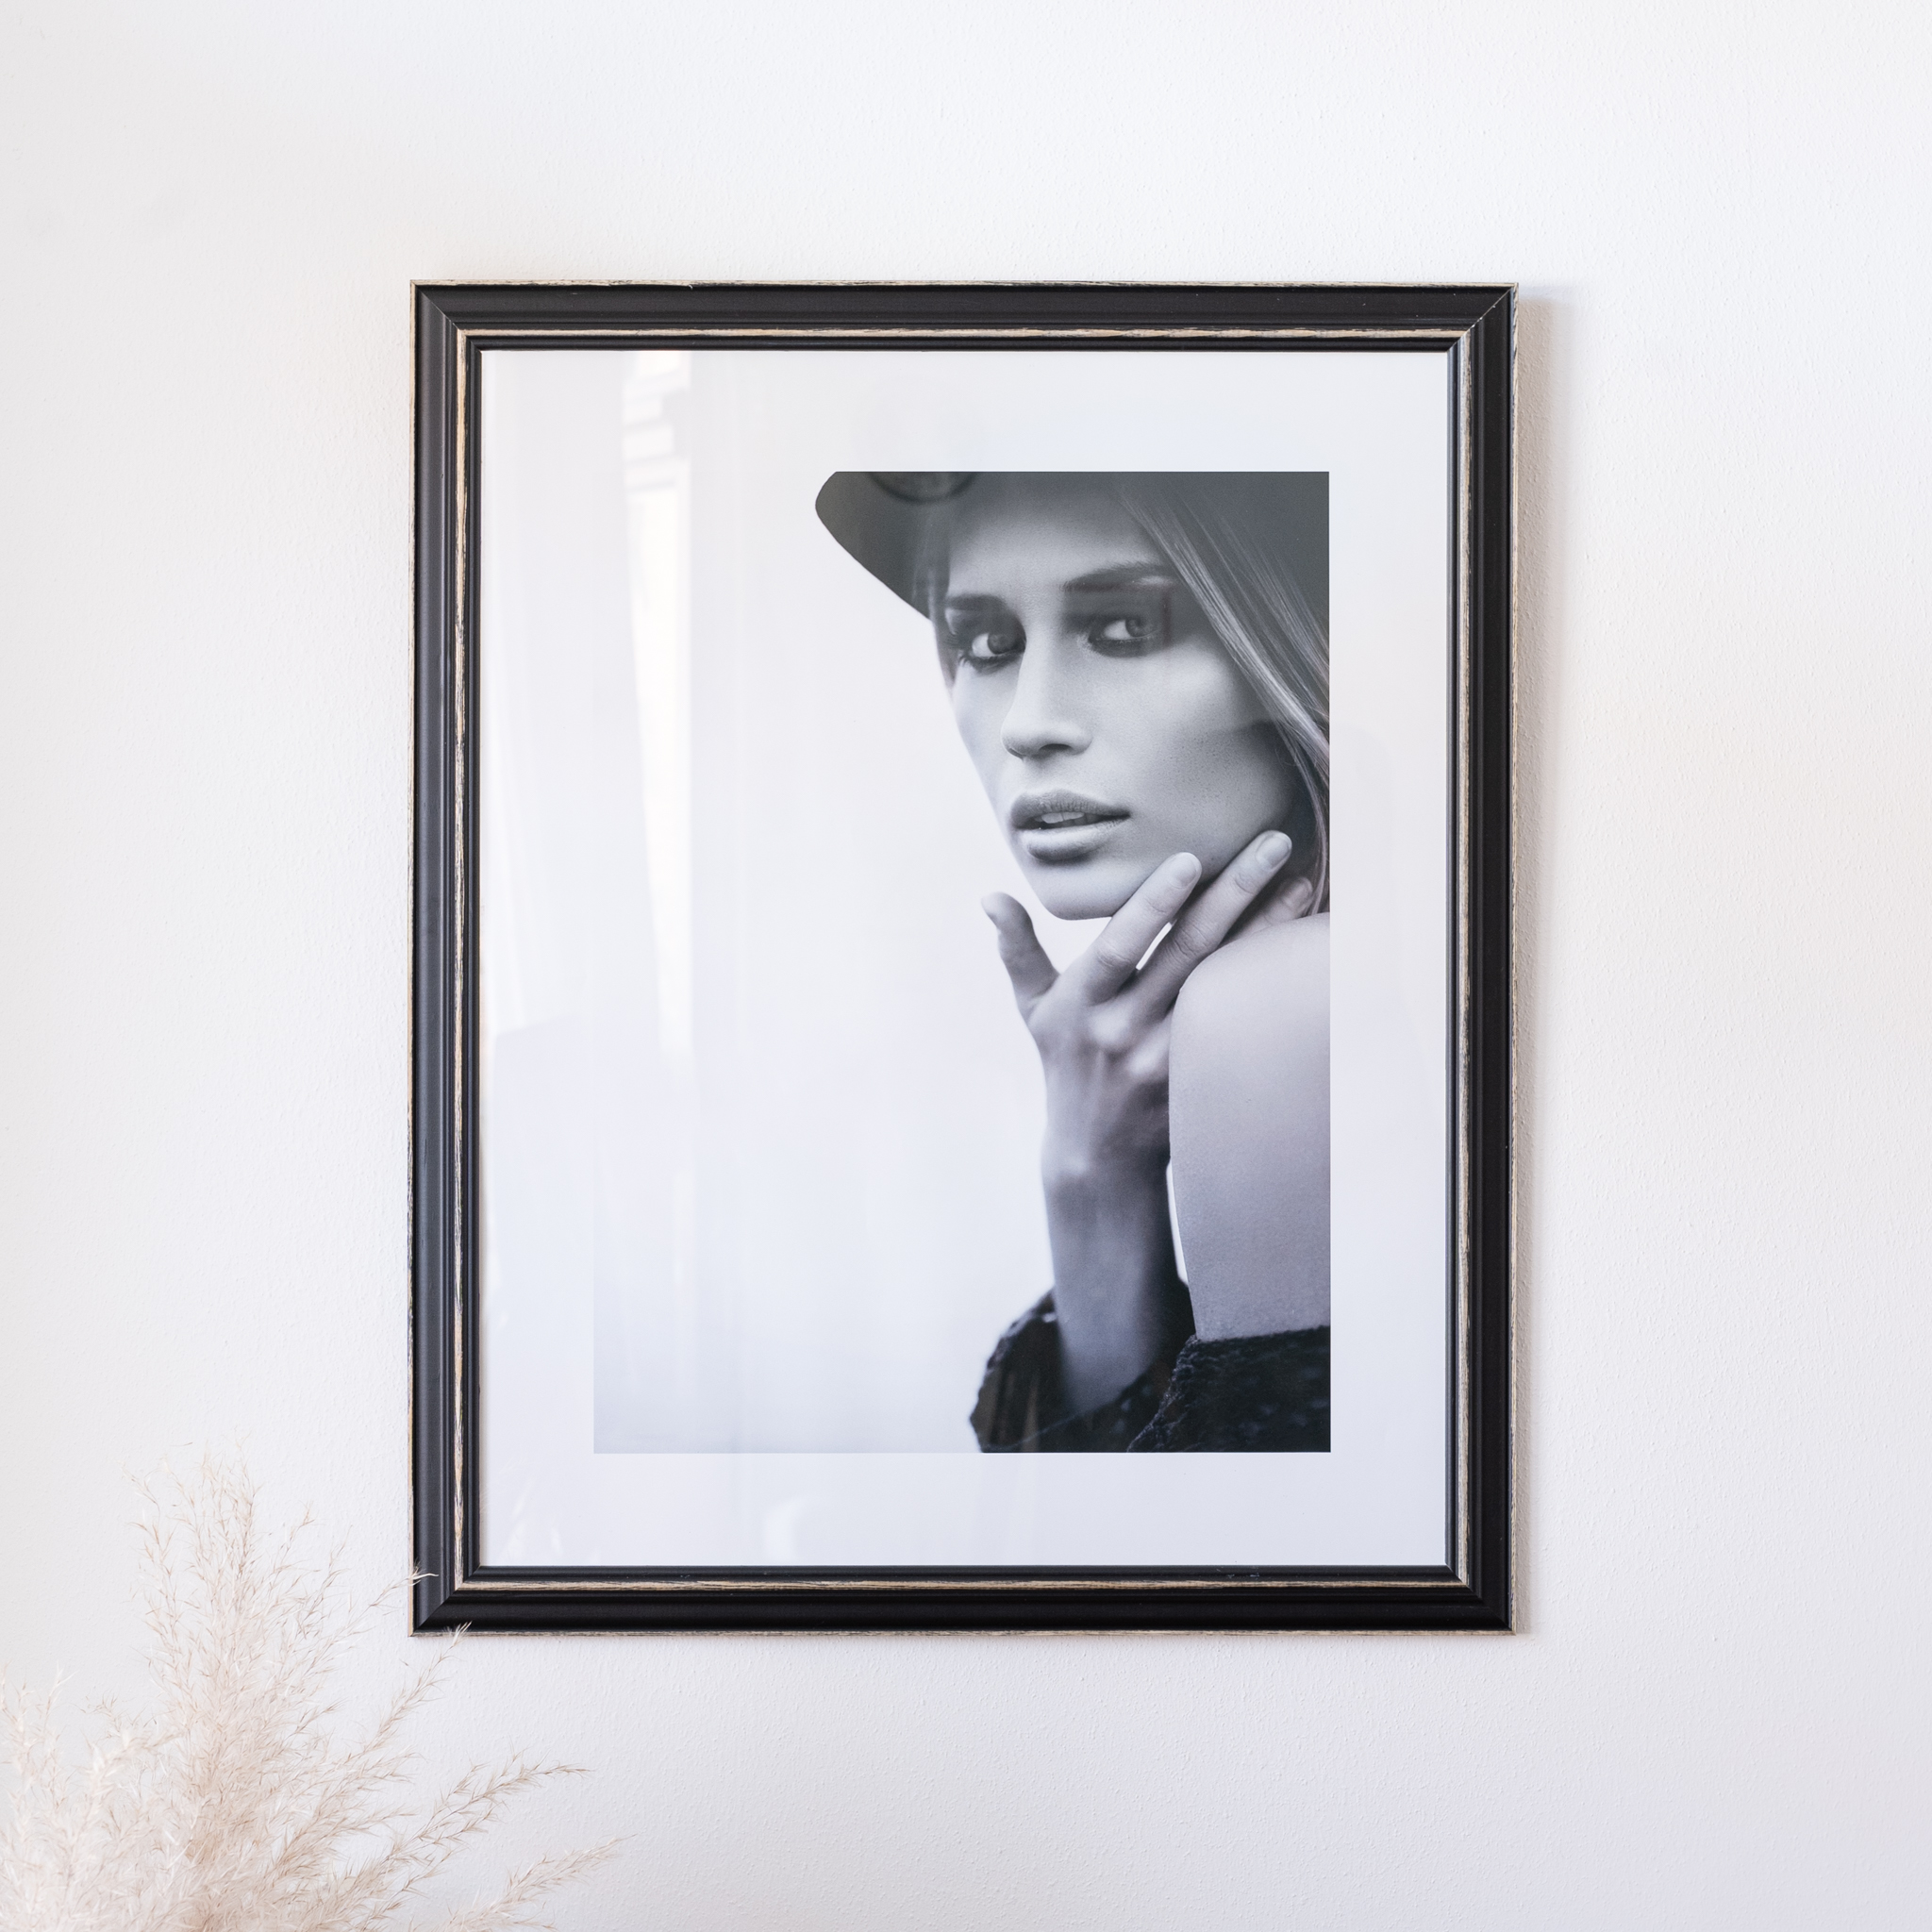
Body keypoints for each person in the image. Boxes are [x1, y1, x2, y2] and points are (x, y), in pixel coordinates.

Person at [815, 473, 1329, 1452]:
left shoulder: (1276, 1005)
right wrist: (1093, 1165)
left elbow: (1135, 1546)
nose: (1027, 723)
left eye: (1125, 628)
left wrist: (1088, 1173)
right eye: (985, 643)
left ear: (1293, 643)